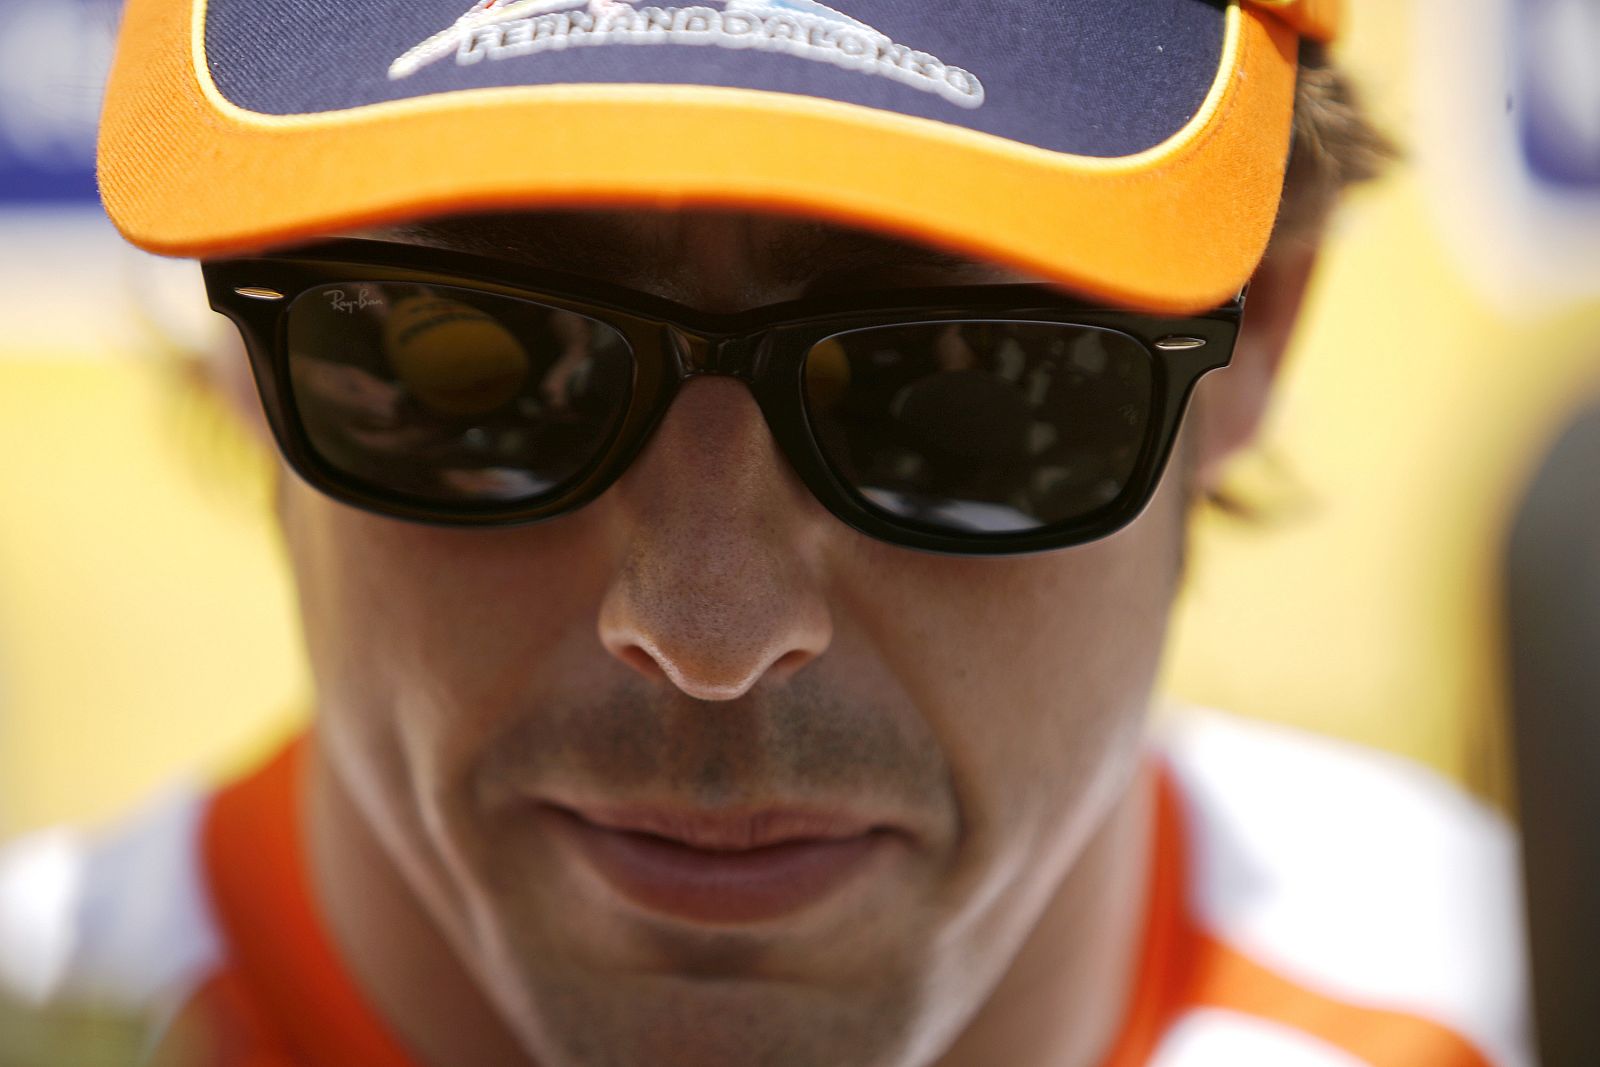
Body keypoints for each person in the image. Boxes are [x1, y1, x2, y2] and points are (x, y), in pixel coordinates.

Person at [0, 1, 1530, 1065]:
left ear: (1264, 330)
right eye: (479, 355)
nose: (709, 630)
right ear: (227, 335)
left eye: (955, 385)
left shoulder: (1516, 1008)